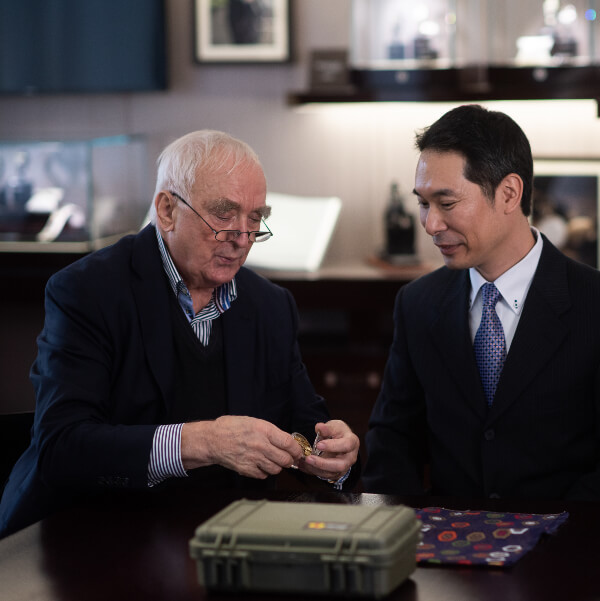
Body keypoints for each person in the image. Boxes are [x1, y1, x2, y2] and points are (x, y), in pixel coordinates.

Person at [0, 130, 359, 538]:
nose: (242, 239)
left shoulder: (270, 306)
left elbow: (309, 427)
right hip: (87, 535)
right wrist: (203, 441)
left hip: (220, 540)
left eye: (256, 218)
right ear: (167, 210)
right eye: (224, 216)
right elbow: (61, 448)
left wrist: (336, 458)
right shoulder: (87, 292)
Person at [363, 104, 600, 501]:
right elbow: (393, 441)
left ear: (509, 193)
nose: (431, 224)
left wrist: (549, 538)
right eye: (423, 203)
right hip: (447, 550)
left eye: (447, 203)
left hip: (568, 550)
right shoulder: (418, 303)